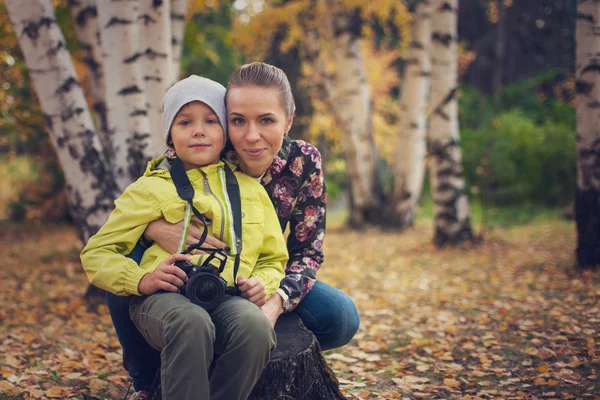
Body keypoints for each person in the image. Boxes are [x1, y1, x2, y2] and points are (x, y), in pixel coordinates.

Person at [107, 62, 361, 399]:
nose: (251, 136)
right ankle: (145, 379)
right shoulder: (206, 147)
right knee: (126, 268)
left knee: (340, 316)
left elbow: (307, 251)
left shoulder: (302, 161)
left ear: (288, 120)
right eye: (238, 120)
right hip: (190, 270)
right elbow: (151, 190)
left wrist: (275, 301)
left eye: (267, 120)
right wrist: (156, 229)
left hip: (260, 272)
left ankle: (234, 338)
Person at [81, 75, 288, 400]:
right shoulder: (149, 188)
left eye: (210, 121)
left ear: (225, 132)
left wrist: (261, 282)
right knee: (191, 322)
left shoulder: (251, 190)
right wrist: (142, 279)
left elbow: (274, 259)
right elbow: (96, 253)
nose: (198, 130)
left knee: (256, 328)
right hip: (162, 301)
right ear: (170, 134)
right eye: (184, 122)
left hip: (228, 297)